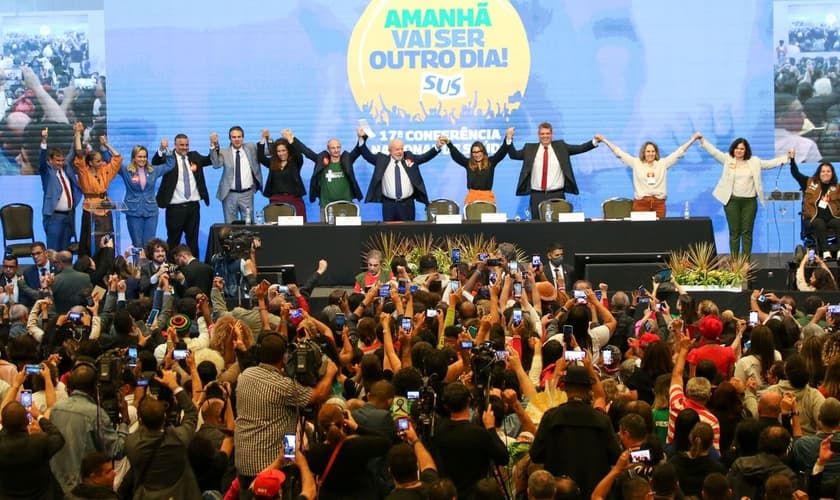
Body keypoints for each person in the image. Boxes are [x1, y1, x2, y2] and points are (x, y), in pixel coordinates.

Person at [234, 332, 338, 496]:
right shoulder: (284, 386)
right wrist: (330, 373)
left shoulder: (245, 375)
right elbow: (318, 395)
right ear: (284, 357)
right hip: (276, 462)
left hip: (244, 461)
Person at [530, 363, 620, 498]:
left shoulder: (551, 417)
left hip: (559, 493)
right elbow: (615, 456)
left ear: (565, 388)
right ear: (589, 390)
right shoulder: (602, 420)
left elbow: (536, 454)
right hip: (594, 492)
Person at [698, 134, 793, 257]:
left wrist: (787, 158)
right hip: (731, 201)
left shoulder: (754, 161)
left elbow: (770, 164)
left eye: (742, 148)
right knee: (734, 232)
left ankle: (746, 262)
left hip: (749, 202)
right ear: (733, 149)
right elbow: (714, 152)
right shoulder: (727, 159)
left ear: (746, 150)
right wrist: (702, 140)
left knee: (747, 232)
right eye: (737, 148)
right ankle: (735, 262)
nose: (739, 151)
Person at [49, 361, 130, 494]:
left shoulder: (56, 409)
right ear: (95, 387)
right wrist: (125, 422)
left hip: (57, 487)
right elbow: (117, 450)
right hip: (85, 491)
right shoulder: (96, 414)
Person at [124, 368, 202, 498]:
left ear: (140, 419)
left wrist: (138, 401)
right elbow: (191, 413)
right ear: (165, 416)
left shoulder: (132, 444)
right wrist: (174, 386)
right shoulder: (179, 438)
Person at [428, 382, 510, 499]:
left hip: (447, 494)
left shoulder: (437, 430)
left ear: (446, 405)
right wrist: (491, 428)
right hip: (475, 495)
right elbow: (503, 458)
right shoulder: (479, 434)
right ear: (469, 400)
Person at [509, 122, 601, 218]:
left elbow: (580, 148)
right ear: (538, 135)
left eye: (548, 133)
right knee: (537, 227)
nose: (545, 136)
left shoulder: (561, 147)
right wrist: (509, 139)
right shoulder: (529, 149)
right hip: (537, 195)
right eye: (542, 134)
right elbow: (514, 155)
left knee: (558, 228)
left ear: (552, 134)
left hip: (557, 194)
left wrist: (594, 141)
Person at [597, 132, 701, 217]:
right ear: (644, 152)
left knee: (659, 234)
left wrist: (693, 139)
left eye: (653, 151)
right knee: (640, 234)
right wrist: (604, 140)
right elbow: (619, 152)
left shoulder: (663, 163)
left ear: (656, 153)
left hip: (659, 204)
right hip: (641, 204)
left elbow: (679, 152)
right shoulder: (636, 163)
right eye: (648, 151)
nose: (650, 153)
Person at [306, 403, 392, 500]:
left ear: (321, 426)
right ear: (343, 422)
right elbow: (386, 442)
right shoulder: (358, 445)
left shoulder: (316, 452)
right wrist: (356, 427)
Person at [0, 374, 66, 499]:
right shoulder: (39, 442)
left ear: (2, 423)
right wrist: (39, 416)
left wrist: (16, 385)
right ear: (26, 422)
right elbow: (58, 437)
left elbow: (3, 414)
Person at [358, 134, 445, 221]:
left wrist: (437, 147)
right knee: (389, 233)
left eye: (401, 149)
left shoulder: (410, 158)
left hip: (407, 204)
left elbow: (424, 157)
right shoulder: (381, 160)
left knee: (408, 232)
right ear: (390, 150)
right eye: (397, 149)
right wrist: (361, 139)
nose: (400, 152)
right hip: (389, 205)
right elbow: (367, 155)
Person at [152, 134, 212, 259]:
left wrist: (214, 145)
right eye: (181, 145)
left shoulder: (194, 156)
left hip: (193, 207)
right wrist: (162, 149)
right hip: (175, 208)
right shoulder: (169, 158)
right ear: (175, 145)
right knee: (173, 241)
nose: (185, 148)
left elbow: (209, 160)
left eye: (186, 145)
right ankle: (171, 269)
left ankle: (194, 268)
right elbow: (155, 162)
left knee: (193, 241)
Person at [286, 129, 364, 220]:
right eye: (333, 148)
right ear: (328, 149)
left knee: (347, 233)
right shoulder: (321, 161)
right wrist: (292, 139)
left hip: (346, 206)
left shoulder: (347, 160)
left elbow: (358, 150)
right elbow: (306, 151)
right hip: (326, 206)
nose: (336, 150)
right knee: (326, 234)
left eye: (338, 147)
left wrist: (361, 137)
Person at [72, 123, 122, 257]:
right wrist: (77, 134)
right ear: (90, 163)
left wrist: (106, 145)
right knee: (91, 241)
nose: (102, 163)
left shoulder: (104, 171)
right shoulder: (84, 172)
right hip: (91, 209)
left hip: (105, 208)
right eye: (98, 161)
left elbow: (117, 158)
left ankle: (108, 263)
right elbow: (79, 153)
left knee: (107, 238)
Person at [118, 144, 175, 249]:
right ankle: (137, 265)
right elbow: (112, 161)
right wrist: (105, 146)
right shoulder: (126, 170)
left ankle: (150, 265)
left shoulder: (153, 170)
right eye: (139, 156)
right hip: (133, 211)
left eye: (144, 157)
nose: (142, 159)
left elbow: (170, 164)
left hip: (151, 211)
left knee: (150, 245)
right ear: (134, 158)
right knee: (137, 244)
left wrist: (166, 149)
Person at [443, 127, 513, 205]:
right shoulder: (468, 163)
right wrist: (449, 143)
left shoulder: (491, 162)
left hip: (487, 198)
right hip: (472, 198)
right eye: (474, 152)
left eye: (479, 151)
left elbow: (502, 151)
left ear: (483, 152)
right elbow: (457, 155)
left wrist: (508, 137)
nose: (477, 154)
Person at [39, 126, 82, 252]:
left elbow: (72, 152)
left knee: (65, 252)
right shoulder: (47, 172)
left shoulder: (66, 168)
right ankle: (51, 272)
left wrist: (76, 134)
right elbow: (41, 161)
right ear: (50, 160)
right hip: (54, 217)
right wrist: (44, 141)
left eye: (62, 160)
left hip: (69, 216)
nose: (60, 163)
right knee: (53, 251)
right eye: (57, 160)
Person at [211, 126, 263, 223]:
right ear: (230, 139)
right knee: (230, 227)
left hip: (247, 194)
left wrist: (267, 139)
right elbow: (216, 164)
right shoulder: (224, 152)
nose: (237, 139)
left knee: (249, 226)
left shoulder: (251, 147)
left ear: (243, 137)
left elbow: (267, 152)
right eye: (234, 137)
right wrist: (213, 145)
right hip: (229, 194)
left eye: (239, 137)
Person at [791, 160, 840, 259]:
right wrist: (792, 160)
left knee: (838, 223)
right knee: (819, 222)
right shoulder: (809, 183)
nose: (825, 173)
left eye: (828, 171)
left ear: (832, 173)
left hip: (832, 217)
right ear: (819, 173)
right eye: (823, 171)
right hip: (813, 218)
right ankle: (825, 251)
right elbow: (796, 174)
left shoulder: (837, 188)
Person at [257, 130, 306, 220]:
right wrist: (263, 138)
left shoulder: (296, 162)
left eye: (283, 150)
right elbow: (261, 157)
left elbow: (298, 153)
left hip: (294, 199)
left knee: (299, 229)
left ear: (288, 150)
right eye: (278, 151)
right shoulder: (273, 162)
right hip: (276, 200)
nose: (281, 153)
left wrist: (290, 138)